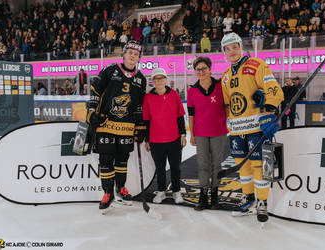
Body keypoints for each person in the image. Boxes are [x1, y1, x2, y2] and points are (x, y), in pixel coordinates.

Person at [221, 33, 284, 223]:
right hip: (237, 131)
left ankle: (262, 202)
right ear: (224, 52)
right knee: (243, 168)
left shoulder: (257, 64)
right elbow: (226, 104)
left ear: (241, 47)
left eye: (234, 47)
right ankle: (248, 199)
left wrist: (269, 110)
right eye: (227, 49)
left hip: (257, 128)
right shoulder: (225, 76)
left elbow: (272, 88)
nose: (232, 51)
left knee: (260, 167)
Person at [86, 40, 147, 213]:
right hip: (106, 123)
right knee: (105, 160)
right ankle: (107, 193)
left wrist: (140, 126)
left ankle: (120, 188)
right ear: (124, 54)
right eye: (130, 53)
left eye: (136, 54)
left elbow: (138, 105)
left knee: (122, 160)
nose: (132, 56)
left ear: (138, 58)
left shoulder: (141, 79)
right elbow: (95, 90)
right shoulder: (110, 70)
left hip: (126, 127)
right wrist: (92, 111)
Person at [187, 56, 228, 211]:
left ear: (210, 69)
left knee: (216, 164)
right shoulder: (192, 91)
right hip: (201, 134)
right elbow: (191, 115)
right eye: (198, 69)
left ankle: (215, 194)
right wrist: (192, 134)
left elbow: (227, 106)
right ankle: (203, 195)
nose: (201, 72)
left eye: (204, 68)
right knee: (202, 165)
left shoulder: (220, 86)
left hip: (218, 132)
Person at [142, 68, 187, 204]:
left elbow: (180, 116)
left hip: (174, 139)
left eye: (162, 78)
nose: (159, 81)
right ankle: (161, 191)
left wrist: (183, 134)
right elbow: (147, 121)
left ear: (166, 80)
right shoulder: (148, 98)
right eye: (156, 79)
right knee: (160, 169)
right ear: (153, 81)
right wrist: (147, 140)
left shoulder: (174, 95)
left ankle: (176, 192)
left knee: (175, 168)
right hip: (156, 140)